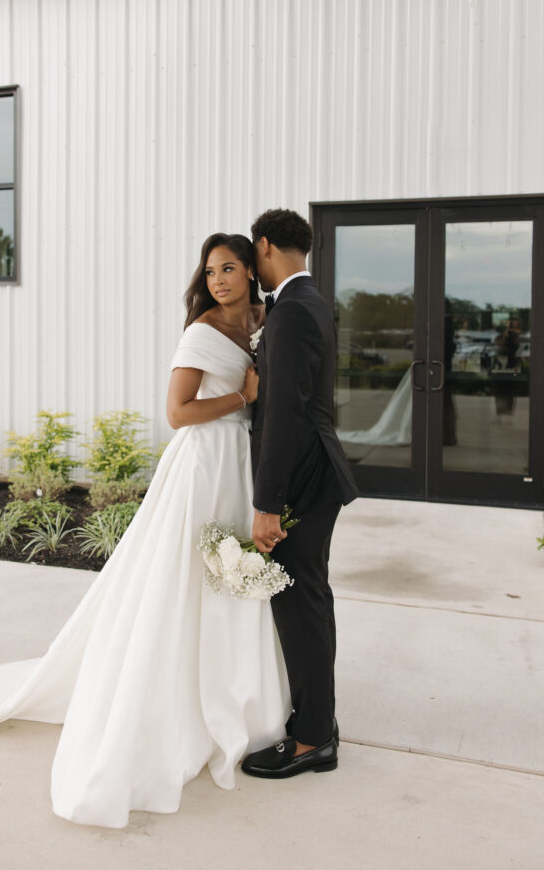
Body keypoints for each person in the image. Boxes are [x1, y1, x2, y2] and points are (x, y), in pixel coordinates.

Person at [0, 233, 290, 829]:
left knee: (233, 578)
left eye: (229, 268)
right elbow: (177, 414)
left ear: (252, 271)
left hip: (241, 466)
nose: (219, 279)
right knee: (186, 575)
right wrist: (239, 397)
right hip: (203, 464)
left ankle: (237, 694)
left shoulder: (264, 319)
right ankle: (174, 699)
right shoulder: (201, 330)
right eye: (210, 271)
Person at [241, 208, 359, 780]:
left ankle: (313, 739)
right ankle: (321, 720)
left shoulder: (291, 312)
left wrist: (268, 504)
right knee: (311, 600)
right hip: (317, 475)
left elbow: (285, 414)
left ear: (264, 246)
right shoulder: (308, 302)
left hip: (303, 482)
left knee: (300, 605)